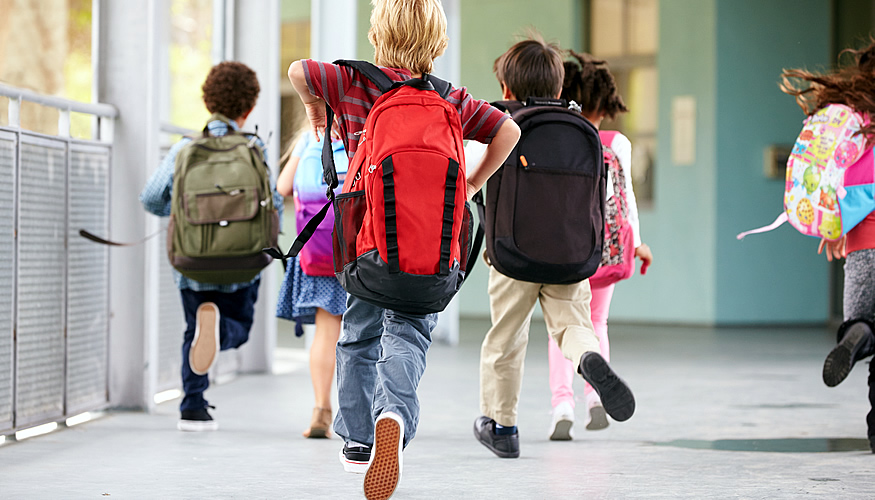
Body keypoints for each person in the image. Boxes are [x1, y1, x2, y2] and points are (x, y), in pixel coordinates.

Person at [289, 0, 519, 497]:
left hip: (368, 245)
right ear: (438, 44)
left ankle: (356, 441)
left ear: (376, 37)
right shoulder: (451, 100)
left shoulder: (352, 84)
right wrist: (473, 183)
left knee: (359, 333)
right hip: (432, 250)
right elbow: (509, 130)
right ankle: (393, 413)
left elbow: (298, 71)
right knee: (409, 334)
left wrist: (316, 115)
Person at [474, 38, 635, 460]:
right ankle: (587, 357)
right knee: (572, 326)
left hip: (512, 255)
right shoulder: (580, 128)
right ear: (560, 87)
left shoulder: (502, 123)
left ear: (507, 89)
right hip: (570, 254)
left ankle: (502, 426)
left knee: (505, 339)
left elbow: (473, 176)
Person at [140, 61, 283, 432]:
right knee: (239, 326)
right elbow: (275, 205)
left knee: (193, 330)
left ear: (207, 102)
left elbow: (151, 198)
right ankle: (220, 333)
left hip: (193, 260)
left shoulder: (184, 149)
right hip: (243, 259)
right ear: (248, 107)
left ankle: (193, 407)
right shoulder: (254, 147)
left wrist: (185, 213)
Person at [545, 51, 653, 440]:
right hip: (605, 249)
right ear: (606, 104)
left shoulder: (560, 135)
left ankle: (562, 404)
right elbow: (626, 198)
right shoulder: (617, 142)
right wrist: (637, 243)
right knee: (596, 323)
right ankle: (595, 398)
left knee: (561, 328)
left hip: (565, 247)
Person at [784, 40, 875, 452]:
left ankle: (856, 333)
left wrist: (834, 229)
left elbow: (841, 185)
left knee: (867, 323)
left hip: (860, 246)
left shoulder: (854, 126)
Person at [275, 125, 348, 439]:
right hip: (361, 253)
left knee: (326, 332)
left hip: (318, 252)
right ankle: (369, 412)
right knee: (370, 332)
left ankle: (321, 409)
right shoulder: (362, 132)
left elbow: (282, 187)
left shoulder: (308, 140)